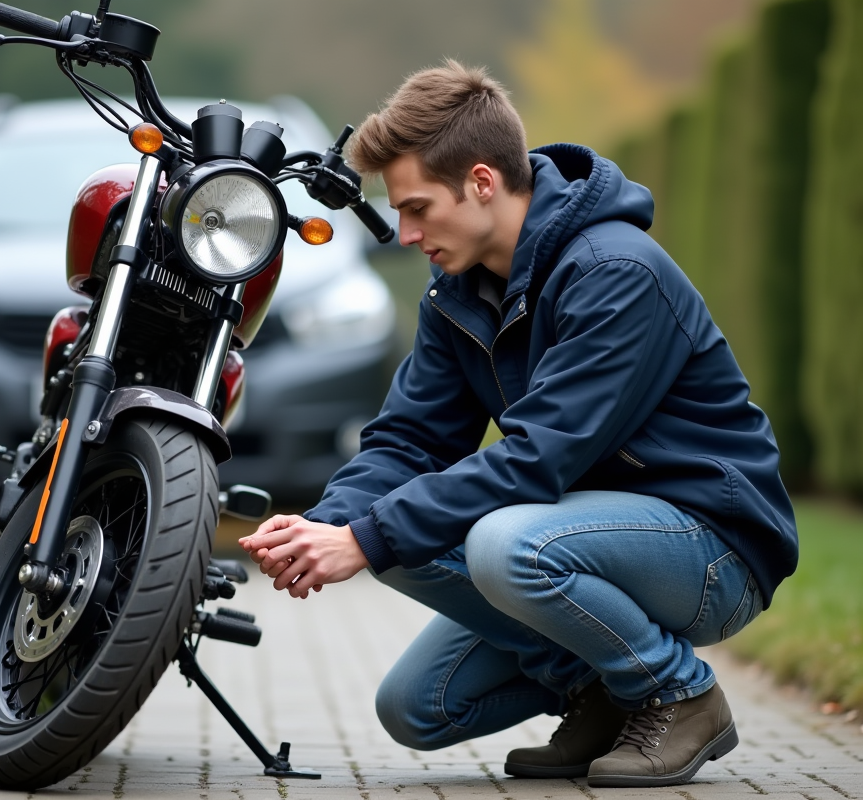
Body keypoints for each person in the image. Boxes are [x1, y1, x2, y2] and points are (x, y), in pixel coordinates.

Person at [238, 60, 797, 788]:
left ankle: (677, 693)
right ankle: (602, 690)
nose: (404, 235)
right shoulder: (457, 295)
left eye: (416, 208)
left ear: (480, 182)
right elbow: (410, 441)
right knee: (418, 705)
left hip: (712, 546)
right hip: (582, 531)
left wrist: (365, 536)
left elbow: (537, 458)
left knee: (497, 543)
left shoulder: (615, 272)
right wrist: (329, 527)